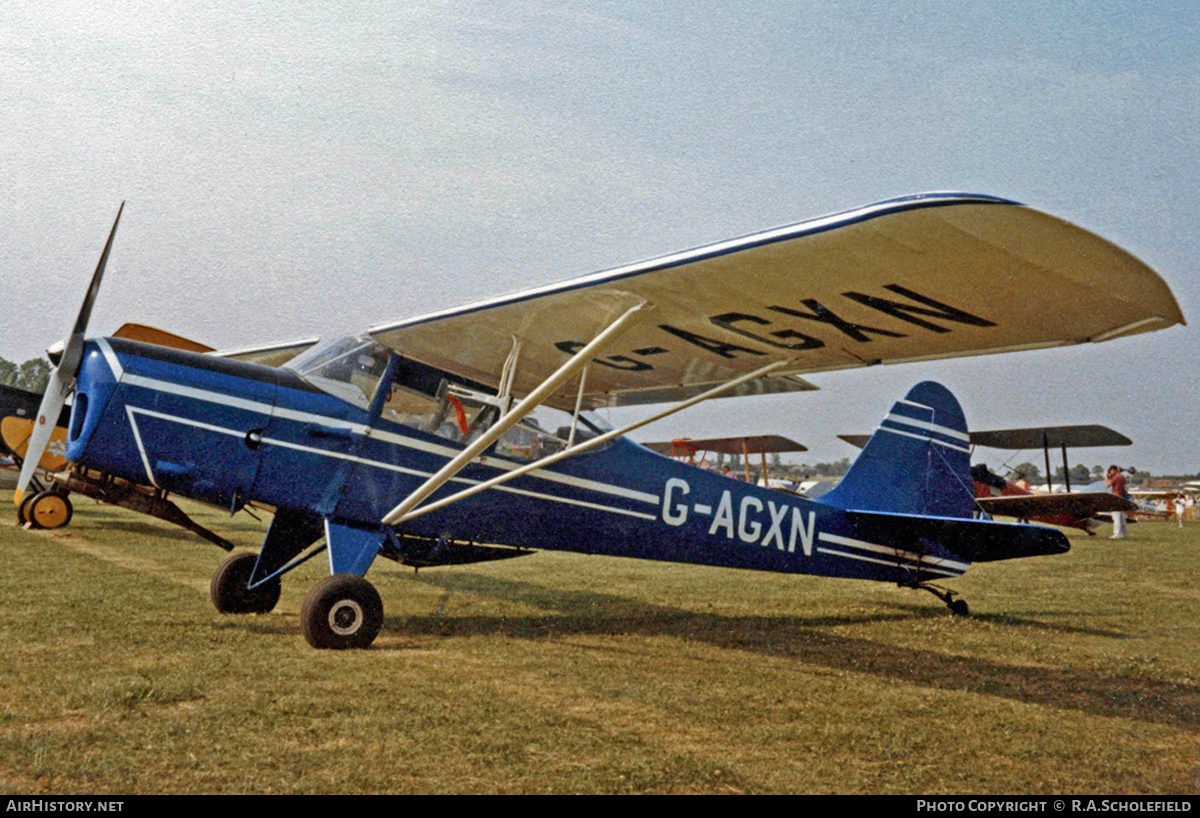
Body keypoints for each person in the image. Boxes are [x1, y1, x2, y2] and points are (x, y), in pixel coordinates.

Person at [1106, 466, 1128, 539]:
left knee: (1116, 516)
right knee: (1122, 516)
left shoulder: (1116, 477)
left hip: (1115, 497)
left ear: (1113, 470)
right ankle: (1123, 533)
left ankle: (1117, 534)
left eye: (1111, 471)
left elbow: (1107, 485)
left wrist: (1105, 477)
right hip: (1121, 497)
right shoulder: (1122, 477)